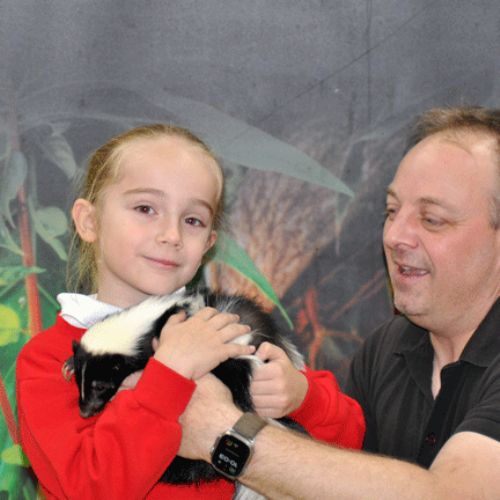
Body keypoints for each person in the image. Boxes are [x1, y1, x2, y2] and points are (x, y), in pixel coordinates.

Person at [16, 124, 365, 499]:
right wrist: (171, 371)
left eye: (193, 220)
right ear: (90, 221)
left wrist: (303, 399)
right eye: (145, 209)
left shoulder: (221, 327)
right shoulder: (49, 360)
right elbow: (89, 489)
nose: (172, 234)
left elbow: (350, 449)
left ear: (209, 243)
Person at [177, 106, 500, 498]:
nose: (395, 236)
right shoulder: (388, 349)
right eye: (391, 211)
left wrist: (227, 435)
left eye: (432, 219)